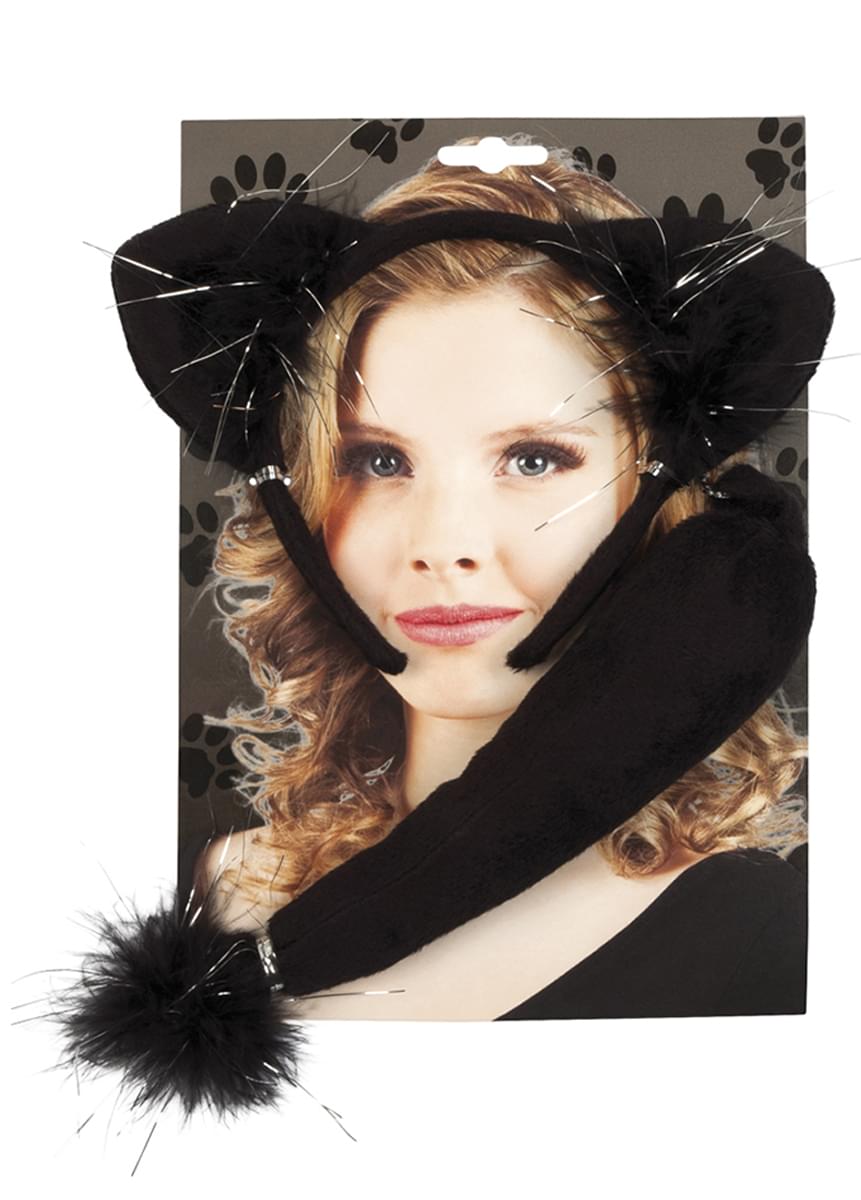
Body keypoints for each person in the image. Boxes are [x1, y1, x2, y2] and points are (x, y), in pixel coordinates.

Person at [193, 146, 809, 1020]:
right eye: (376, 461)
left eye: (533, 459)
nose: (442, 546)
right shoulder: (211, 887)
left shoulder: (764, 941)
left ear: (665, 494)